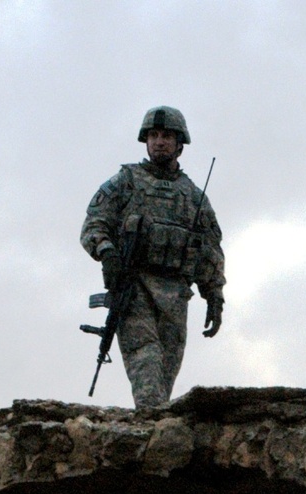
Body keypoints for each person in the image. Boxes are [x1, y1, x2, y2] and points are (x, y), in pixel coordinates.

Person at [80, 106, 225, 407]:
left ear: (179, 144)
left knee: (164, 381)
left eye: (167, 136)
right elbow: (94, 224)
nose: (159, 142)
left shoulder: (194, 197)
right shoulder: (125, 182)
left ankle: (154, 438)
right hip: (135, 291)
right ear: (145, 141)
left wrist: (214, 296)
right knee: (147, 369)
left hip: (175, 298)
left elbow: (210, 249)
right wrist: (107, 253)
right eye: (154, 136)